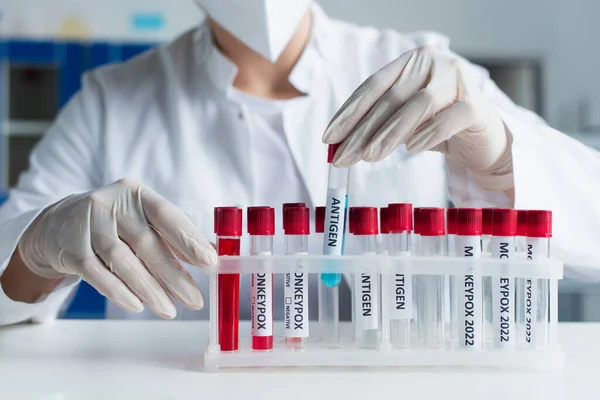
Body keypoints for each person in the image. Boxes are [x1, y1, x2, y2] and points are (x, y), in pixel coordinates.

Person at [0, 0, 598, 325]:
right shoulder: (110, 99)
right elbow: (8, 282)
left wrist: (500, 157)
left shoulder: (423, 69)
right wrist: (33, 246)